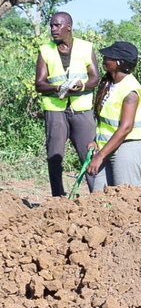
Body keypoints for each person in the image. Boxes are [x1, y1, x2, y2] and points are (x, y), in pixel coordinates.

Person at [34, 12, 100, 197]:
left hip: (82, 109)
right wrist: (59, 88)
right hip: (56, 110)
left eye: (57, 25)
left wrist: (81, 86)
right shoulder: (45, 49)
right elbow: (39, 83)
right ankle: (58, 197)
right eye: (52, 25)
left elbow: (95, 78)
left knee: (89, 155)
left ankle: (98, 197)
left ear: (69, 27)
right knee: (55, 156)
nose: (53, 29)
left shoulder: (86, 47)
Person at [86, 41, 141, 189]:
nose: (104, 59)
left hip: (127, 149)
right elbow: (105, 121)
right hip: (107, 146)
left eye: (109, 57)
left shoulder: (131, 90)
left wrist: (100, 156)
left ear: (119, 63)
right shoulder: (109, 84)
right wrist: (96, 141)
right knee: (98, 198)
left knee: (126, 197)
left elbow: (126, 128)